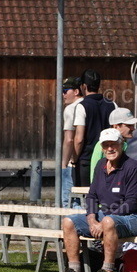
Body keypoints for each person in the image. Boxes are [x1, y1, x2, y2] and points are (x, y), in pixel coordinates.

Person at [53, 129, 137, 272]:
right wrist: (92, 220)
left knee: (109, 222)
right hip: (105, 216)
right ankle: (74, 271)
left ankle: (108, 271)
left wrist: (105, 221)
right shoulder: (100, 165)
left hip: (135, 218)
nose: (110, 148)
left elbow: (132, 202)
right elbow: (91, 196)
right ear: (102, 148)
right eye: (106, 145)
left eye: (113, 144)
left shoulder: (132, 166)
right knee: (68, 222)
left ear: (121, 144)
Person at [72, 69, 117, 187]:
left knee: (85, 197)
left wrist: (75, 159)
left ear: (84, 86)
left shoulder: (82, 106)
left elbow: (79, 139)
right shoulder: (112, 104)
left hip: (87, 159)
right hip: (107, 158)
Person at [89, 107, 137, 179]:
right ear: (116, 126)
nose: (133, 128)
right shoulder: (101, 145)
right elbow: (94, 174)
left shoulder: (125, 143)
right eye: (129, 125)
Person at [60, 76, 83, 207]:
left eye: (65, 91)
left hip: (73, 161)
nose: (63, 95)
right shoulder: (89, 105)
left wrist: (64, 163)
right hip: (90, 161)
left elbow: (69, 139)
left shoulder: (71, 108)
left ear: (76, 91)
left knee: (69, 201)